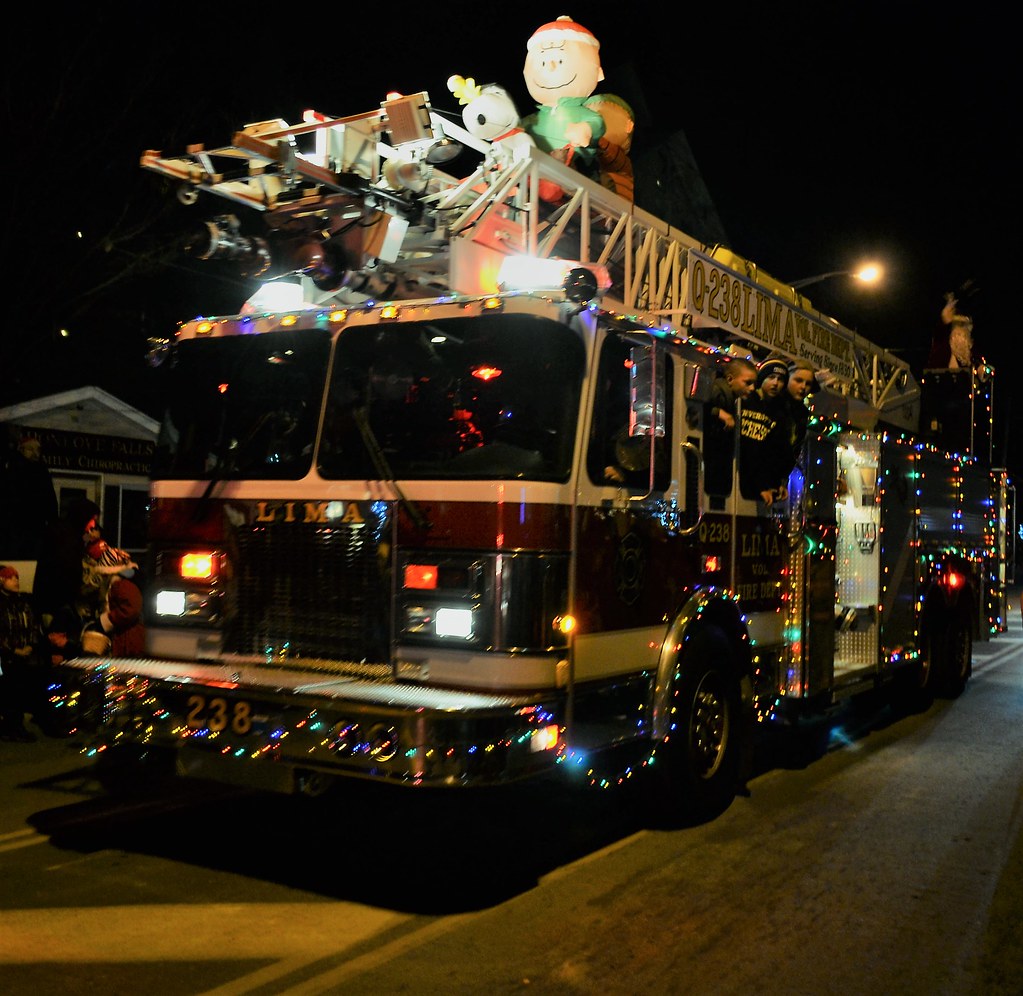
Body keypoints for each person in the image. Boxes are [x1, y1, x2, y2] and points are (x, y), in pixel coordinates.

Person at [739, 357, 792, 506]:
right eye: (771, 377)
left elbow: (779, 453)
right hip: (744, 486)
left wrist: (780, 482)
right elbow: (749, 450)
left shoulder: (781, 413)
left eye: (781, 379)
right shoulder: (746, 402)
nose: (776, 383)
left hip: (766, 492)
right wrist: (760, 486)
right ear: (761, 378)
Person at [0, 564, 44, 742]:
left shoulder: (23, 602)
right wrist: (13, 650)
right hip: (6, 658)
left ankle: (17, 726)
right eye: (11, 577)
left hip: (24, 656)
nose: (16, 580)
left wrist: (30, 646)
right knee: (9, 692)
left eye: (16, 577)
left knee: (20, 691)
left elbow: (33, 626)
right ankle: (11, 727)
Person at [704, 355, 757, 497]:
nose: (752, 388)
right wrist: (717, 412)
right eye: (748, 383)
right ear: (730, 379)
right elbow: (696, 410)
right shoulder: (718, 391)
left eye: (754, 384)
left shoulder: (731, 397)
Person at [3, 434, 59, 560]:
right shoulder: (12, 470)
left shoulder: (42, 471)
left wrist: (52, 523)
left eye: (38, 450)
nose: (35, 453)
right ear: (21, 450)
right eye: (31, 449)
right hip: (15, 529)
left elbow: (50, 500)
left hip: (37, 529)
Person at [585, 93, 635, 202]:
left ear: (628, 126)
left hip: (612, 207)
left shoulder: (621, 160)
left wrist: (599, 140)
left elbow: (612, 158)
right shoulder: (590, 153)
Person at [784, 358, 818, 468]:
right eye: (798, 380)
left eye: (808, 383)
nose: (803, 387)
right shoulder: (773, 403)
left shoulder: (802, 413)